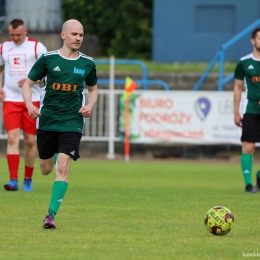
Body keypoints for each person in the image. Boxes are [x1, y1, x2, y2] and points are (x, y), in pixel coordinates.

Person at [22, 19, 98, 229]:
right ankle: (55, 154)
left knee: (62, 166)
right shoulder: (47, 59)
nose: (78, 38)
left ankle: (50, 215)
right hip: (47, 120)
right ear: (63, 35)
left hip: (72, 121)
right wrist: (29, 105)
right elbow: (28, 84)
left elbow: (93, 90)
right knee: (46, 169)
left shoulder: (87, 63)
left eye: (81, 35)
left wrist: (90, 106)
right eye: (74, 34)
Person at [0, 19, 47, 191]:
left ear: (25, 31)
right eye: (12, 35)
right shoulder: (3, 47)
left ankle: (28, 179)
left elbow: (47, 74)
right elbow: (0, 69)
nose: (15, 38)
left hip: (31, 101)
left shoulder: (37, 47)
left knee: (29, 141)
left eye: (18, 35)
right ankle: (13, 180)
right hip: (11, 100)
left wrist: (32, 81)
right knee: (12, 138)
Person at [233, 27, 260, 193]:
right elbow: (237, 88)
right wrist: (236, 112)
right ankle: (249, 184)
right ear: (253, 41)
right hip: (251, 110)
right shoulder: (243, 63)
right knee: (248, 147)